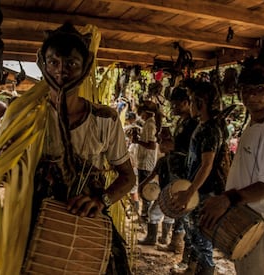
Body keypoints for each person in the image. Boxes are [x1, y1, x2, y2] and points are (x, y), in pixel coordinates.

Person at [31, 22, 135, 274]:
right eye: (53, 62)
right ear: (42, 64)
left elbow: (128, 177)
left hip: (89, 223)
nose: (61, 72)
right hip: (36, 225)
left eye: (71, 64)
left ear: (86, 67)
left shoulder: (105, 120)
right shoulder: (29, 118)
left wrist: (101, 201)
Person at [200, 48, 264, 275]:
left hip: (260, 224)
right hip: (245, 218)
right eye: (246, 90)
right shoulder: (254, 123)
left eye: (260, 90)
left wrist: (227, 199)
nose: (252, 96)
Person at [171, 80, 227, 275]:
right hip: (196, 188)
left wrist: (190, 191)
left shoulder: (211, 129)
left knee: (202, 236)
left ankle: (206, 270)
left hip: (204, 190)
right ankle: (192, 269)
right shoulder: (201, 125)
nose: (191, 105)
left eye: (193, 101)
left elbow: (207, 164)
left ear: (201, 104)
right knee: (193, 233)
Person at [161, 86, 198, 270]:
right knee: (182, 217)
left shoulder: (192, 124)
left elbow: (187, 150)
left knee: (188, 219)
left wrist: (170, 145)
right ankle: (179, 248)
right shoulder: (181, 123)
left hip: (186, 177)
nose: (173, 107)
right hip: (177, 173)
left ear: (186, 103)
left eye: (176, 104)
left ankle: (188, 261)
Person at [137, 127, 177, 246]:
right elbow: (154, 174)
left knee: (154, 213)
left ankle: (151, 238)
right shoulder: (169, 160)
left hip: (166, 191)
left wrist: (142, 184)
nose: (160, 145)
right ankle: (164, 238)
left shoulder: (165, 160)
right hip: (174, 191)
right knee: (169, 214)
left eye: (162, 143)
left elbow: (153, 174)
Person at [132, 100, 159, 222]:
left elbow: (152, 145)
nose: (140, 115)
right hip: (143, 162)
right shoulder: (147, 123)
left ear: (146, 112)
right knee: (142, 188)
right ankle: (144, 214)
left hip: (146, 163)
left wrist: (137, 142)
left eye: (141, 112)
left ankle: (145, 216)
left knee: (145, 189)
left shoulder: (150, 125)